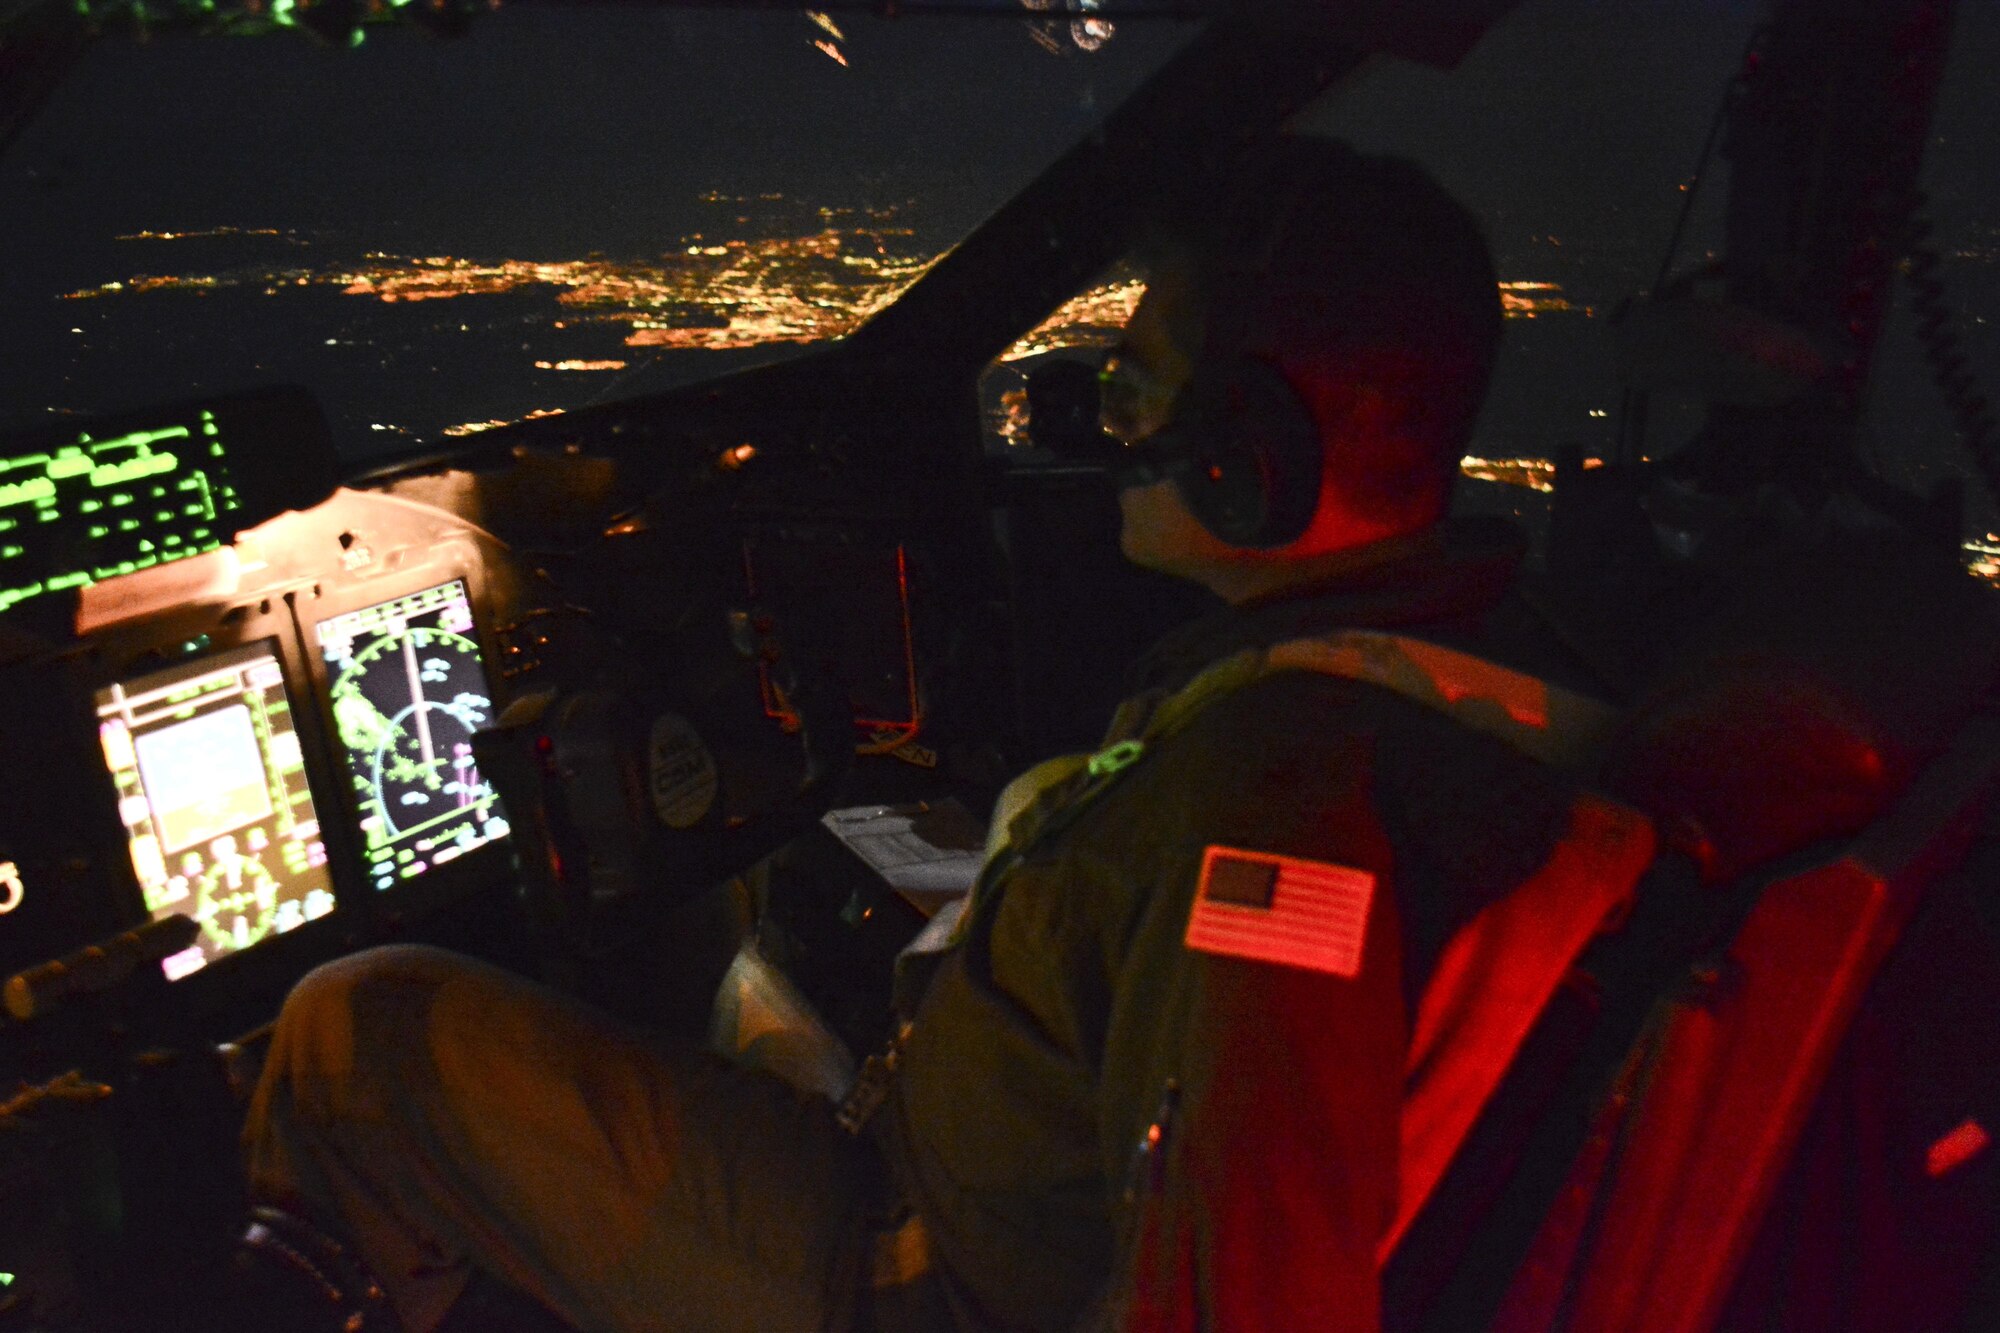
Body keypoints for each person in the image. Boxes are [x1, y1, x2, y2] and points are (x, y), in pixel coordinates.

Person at [241, 134, 1582, 1332]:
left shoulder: (1281, 807)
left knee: (358, 1031)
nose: (1103, 422)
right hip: (967, 1181)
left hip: (911, 1269)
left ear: (1247, 453)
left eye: (1138, 384)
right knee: (773, 913)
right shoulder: (1464, 669)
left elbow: (1249, 1279)